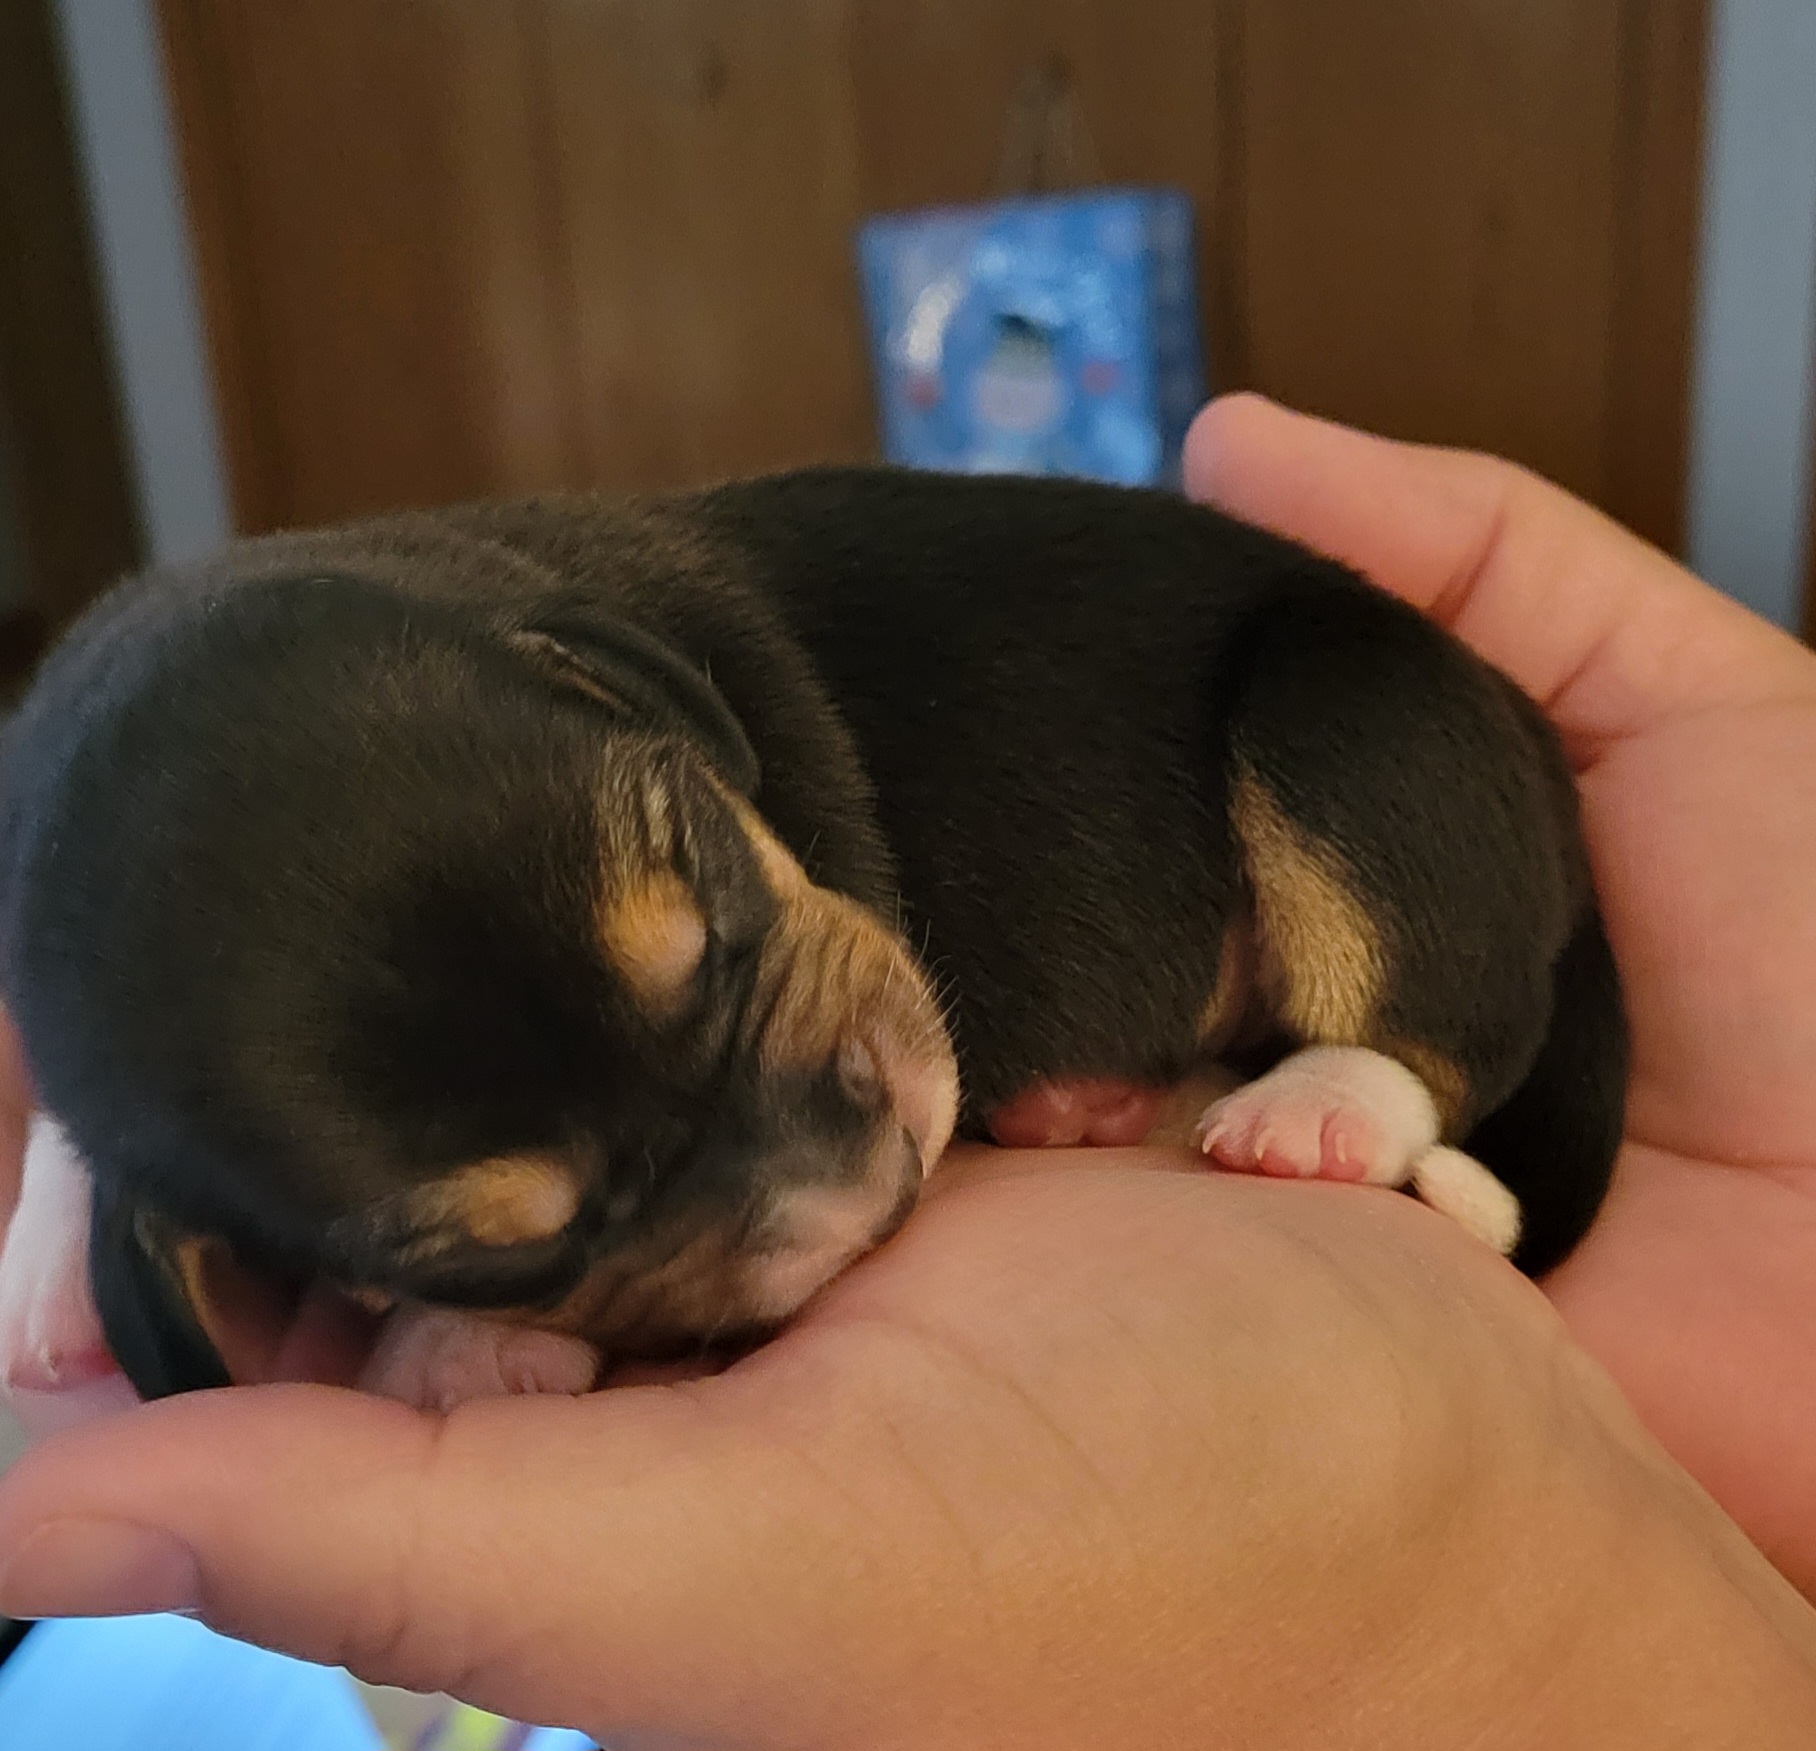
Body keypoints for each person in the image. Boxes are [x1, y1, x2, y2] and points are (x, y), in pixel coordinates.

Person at [0, 394, 1813, 1747]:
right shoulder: (384, 839)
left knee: (1365, 721)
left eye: (715, 948)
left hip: (1286, 731)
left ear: (635, 698)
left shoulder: (589, 646)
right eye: (514, 1228)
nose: (822, 1184)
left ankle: (1419, 1063)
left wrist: (569, 1278)